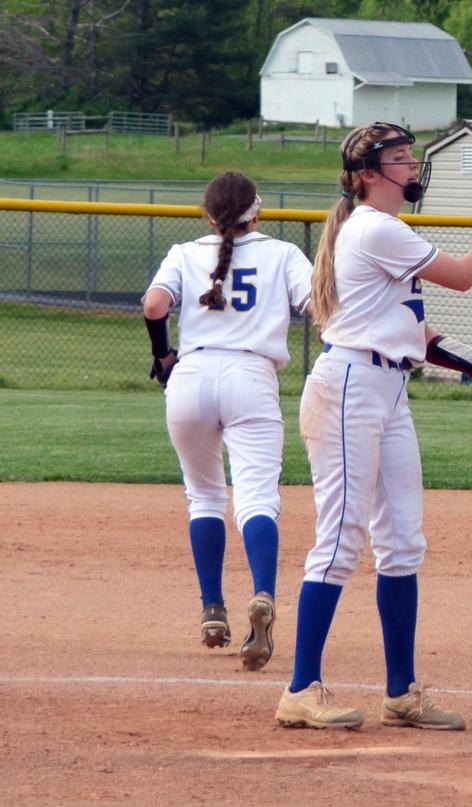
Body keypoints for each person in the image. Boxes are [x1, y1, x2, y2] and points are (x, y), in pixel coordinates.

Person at [274, 122, 472, 731]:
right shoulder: (375, 227)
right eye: (399, 159)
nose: (412, 166)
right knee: (341, 538)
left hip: (387, 390)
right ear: (370, 175)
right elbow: (465, 275)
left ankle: (401, 692)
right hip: (349, 388)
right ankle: (299, 689)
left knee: (402, 541)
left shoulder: (382, 231)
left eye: (410, 155)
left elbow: (415, 333)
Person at [143, 170, 313, 672]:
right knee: (256, 497)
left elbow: (154, 305)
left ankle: (212, 609)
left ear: (209, 215)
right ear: (256, 213)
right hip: (250, 376)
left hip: (190, 377)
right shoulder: (282, 254)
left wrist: (163, 357)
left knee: (205, 498)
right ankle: (261, 593)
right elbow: (319, 306)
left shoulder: (183, 252)